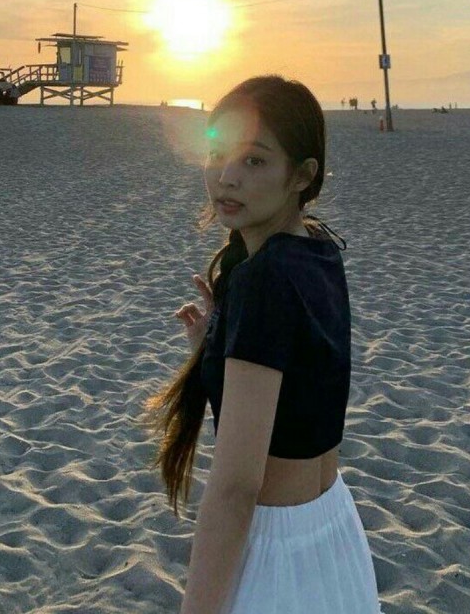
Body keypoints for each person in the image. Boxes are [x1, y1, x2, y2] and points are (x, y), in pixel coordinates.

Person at [143, 75, 385, 614]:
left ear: (302, 175)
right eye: (216, 153)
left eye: (254, 160)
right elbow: (301, 388)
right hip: (333, 532)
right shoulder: (318, 250)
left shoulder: (264, 280)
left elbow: (236, 487)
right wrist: (216, 348)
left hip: (276, 550)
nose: (226, 176)